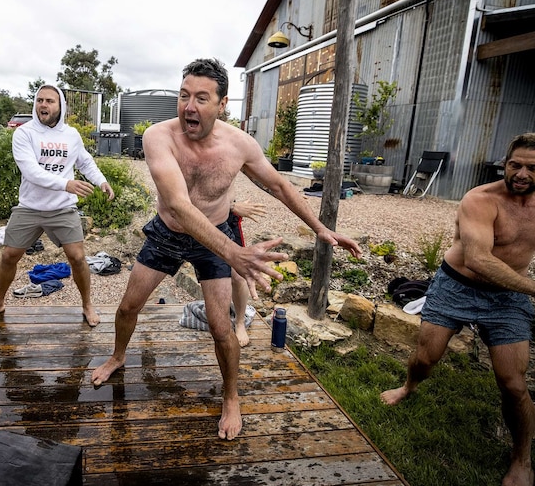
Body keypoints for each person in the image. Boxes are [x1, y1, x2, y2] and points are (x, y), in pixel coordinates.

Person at [91, 58, 362, 440]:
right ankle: (118, 356)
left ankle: (231, 396)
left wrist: (320, 228)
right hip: (168, 234)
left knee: (221, 327)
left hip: (214, 239)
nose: (189, 106)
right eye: (184, 95)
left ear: (222, 105)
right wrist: (234, 253)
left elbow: (281, 186)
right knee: (127, 307)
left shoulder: (240, 145)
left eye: (202, 98)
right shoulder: (158, 136)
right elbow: (180, 206)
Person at [380, 132, 535, 486]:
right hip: (456, 287)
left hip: (507, 299)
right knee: (427, 358)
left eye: (533, 167)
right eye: (514, 164)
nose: (521, 173)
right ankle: (409, 386)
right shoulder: (480, 199)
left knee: (513, 384)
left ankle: (522, 459)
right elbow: (477, 260)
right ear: (505, 163)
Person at [0, 85, 115, 326]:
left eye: (50, 101)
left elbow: (85, 162)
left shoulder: (71, 134)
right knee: (9, 255)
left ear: (60, 106)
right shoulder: (25, 133)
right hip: (30, 206)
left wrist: (102, 181)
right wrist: (66, 184)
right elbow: (31, 172)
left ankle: (87, 305)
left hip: (62, 208)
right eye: (40, 100)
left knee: (78, 257)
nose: (44, 105)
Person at [229, 199, 267, 347]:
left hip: (226, 218)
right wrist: (232, 206)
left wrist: (292, 193)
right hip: (194, 218)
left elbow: (267, 180)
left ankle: (239, 322)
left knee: (237, 274)